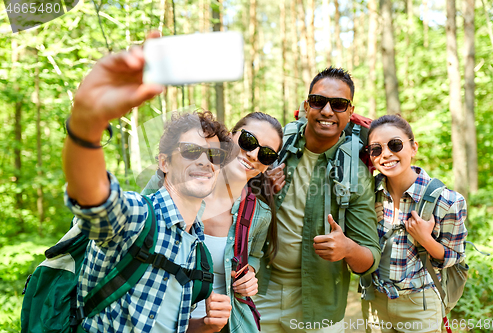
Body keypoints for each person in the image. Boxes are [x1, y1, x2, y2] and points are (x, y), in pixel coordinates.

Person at [63, 32, 232, 333]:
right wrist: (86, 124)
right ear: (164, 162)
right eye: (192, 151)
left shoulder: (198, 248)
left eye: (214, 155)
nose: (205, 162)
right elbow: (94, 199)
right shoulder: (138, 217)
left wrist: (204, 325)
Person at [254, 67, 381, 332]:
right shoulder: (276, 148)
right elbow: (229, 192)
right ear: (306, 105)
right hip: (258, 289)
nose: (326, 111)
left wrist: (347, 248)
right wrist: (261, 188)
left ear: (349, 111)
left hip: (318, 302)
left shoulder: (355, 173)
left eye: (338, 105)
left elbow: (370, 258)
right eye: (318, 101)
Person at [143, 112, 284, 333]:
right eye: (248, 141)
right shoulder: (175, 180)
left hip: (227, 325)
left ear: (267, 165)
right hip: (157, 320)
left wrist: (250, 275)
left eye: (266, 154)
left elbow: (254, 255)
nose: (254, 154)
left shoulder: (259, 214)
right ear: (229, 138)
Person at [361, 115, 468, 333]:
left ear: (413, 148)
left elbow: (454, 257)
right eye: (376, 149)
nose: (386, 154)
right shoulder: (366, 195)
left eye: (395, 144)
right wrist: (366, 220)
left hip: (420, 305)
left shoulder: (447, 201)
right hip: (375, 303)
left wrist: (425, 239)